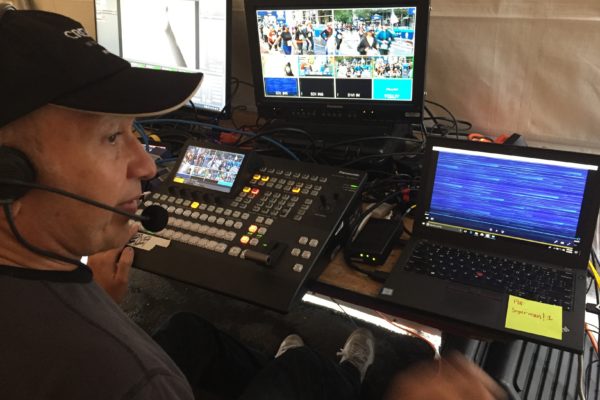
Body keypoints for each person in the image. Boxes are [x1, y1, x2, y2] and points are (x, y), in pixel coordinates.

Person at [0, 7, 506, 400]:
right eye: (111, 137)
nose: (147, 165)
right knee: (307, 369)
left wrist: (101, 305)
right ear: (9, 175)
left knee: (187, 331)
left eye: (135, 133)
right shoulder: (133, 380)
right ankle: (335, 374)